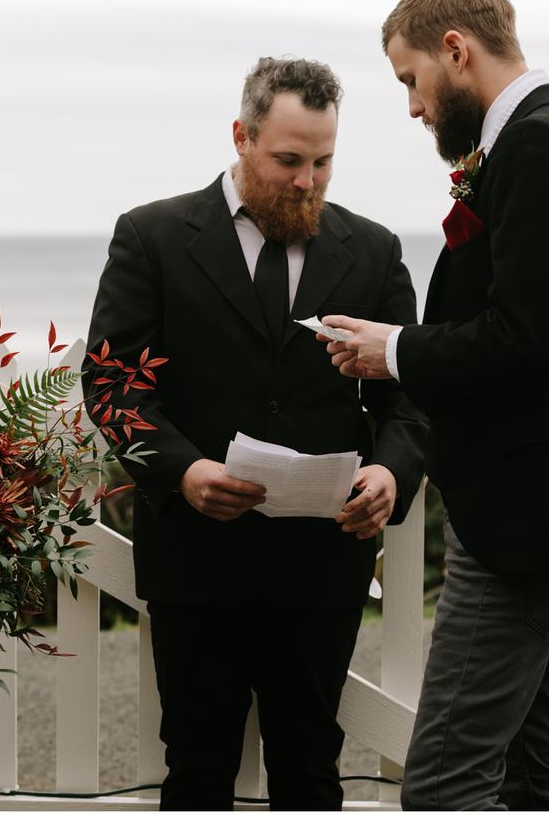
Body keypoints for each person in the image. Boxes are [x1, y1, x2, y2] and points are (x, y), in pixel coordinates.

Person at [321, 0, 549, 810]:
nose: (414, 106)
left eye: (410, 80)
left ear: (455, 51)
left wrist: (393, 351)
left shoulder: (540, 147)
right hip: (541, 508)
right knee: (532, 776)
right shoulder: (542, 141)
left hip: (525, 522)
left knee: (445, 782)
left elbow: (522, 343)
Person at [83, 57, 428, 810]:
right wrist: (181, 469)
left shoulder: (372, 252)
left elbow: (411, 399)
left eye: (323, 162)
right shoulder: (152, 237)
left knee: (310, 772)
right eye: (288, 161)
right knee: (199, 774)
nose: (307, 181)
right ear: (241, 137)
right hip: (196, 563)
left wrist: (392, 473)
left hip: (321, 565)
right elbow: (111, 383)